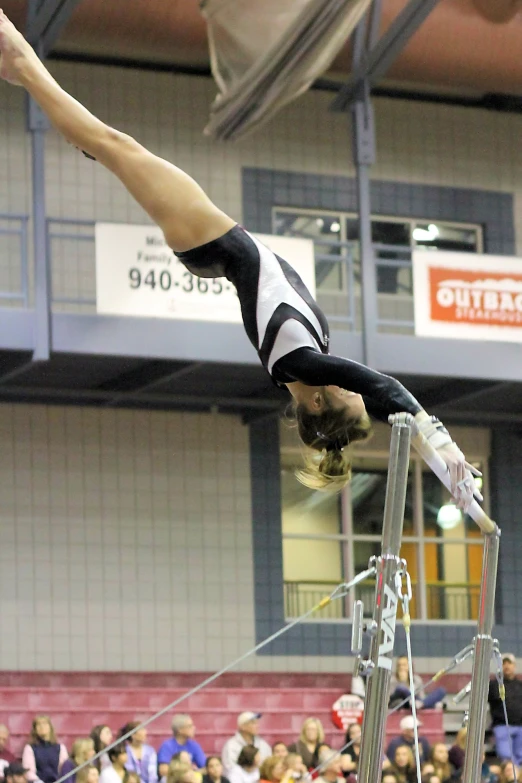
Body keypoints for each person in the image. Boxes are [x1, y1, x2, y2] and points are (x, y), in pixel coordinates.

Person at [0, 8, 483, 503]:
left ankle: (19, 60)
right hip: (217, 242)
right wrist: (434, 451)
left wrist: (439, 446)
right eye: (359, 401)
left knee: (112, 145)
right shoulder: (305, 365)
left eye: (351, 401)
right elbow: (385, 399)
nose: (359, 394)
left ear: (319, 399)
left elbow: (384, 387)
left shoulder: (299, 362)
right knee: (110, 149)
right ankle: (23, 69)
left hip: (212, 239)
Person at [488, 654, 522, 764]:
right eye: (504, 663)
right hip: (502, 726)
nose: (506, 666)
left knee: (520, 758)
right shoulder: (493, 685)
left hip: (520, 727)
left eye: (509, 663)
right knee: (506, 758)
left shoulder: (520, 685)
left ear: (514, 666)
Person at [22, 716, 68, 783]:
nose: (42, 727)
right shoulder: (30, 748)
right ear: (35, 729)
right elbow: (28, 771)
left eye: (45, 724)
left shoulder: (60, 748)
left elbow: (64, 770)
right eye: (38, 724)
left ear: (50, 727)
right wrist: (37, 781)